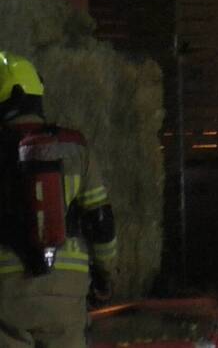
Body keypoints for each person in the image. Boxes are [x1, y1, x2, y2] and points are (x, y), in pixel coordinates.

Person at [0, 52, 117, 347]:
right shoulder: (74, 149)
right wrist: (105, 279)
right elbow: (101, 223)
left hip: (7, 295)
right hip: (67, 289)